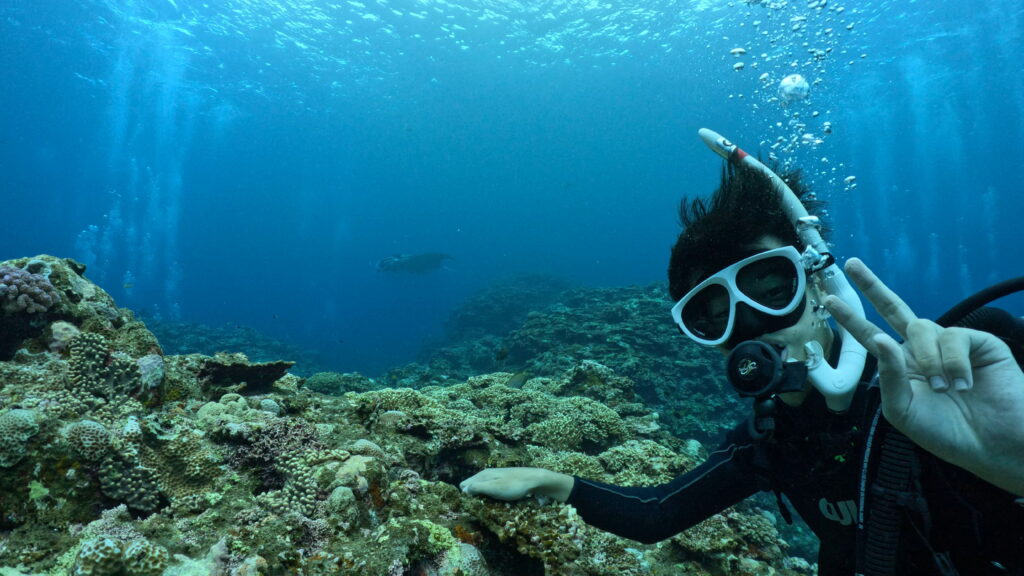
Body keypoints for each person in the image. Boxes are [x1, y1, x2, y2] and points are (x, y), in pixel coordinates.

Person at [460, 134, 1024, 575]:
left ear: (819, 287)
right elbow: (658, 513)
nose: (750, 326)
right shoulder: (770, 440)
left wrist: (1013, 459)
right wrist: (556, 482)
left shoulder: (970, 375)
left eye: (771, 288)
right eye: (712, 315)